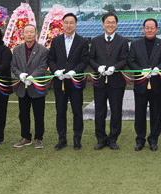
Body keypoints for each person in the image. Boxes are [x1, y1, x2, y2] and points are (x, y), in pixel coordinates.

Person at [47, 13, 89, 151]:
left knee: (77, 112)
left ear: (76, 24)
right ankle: (62, 139)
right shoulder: (56, 40)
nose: (69, 25)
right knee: (60, 112)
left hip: (75, 82)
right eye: (66, 22)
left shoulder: (82, 41)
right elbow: (51, 59)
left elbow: (84, 61)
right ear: (62, 24)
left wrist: (74, 72)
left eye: (72, 22)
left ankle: (77, 140)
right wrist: (56, 71)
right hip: (59, 82)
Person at [89, 13, 129, 151]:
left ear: (116, 24)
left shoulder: (123, 41)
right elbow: (91, 59)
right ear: (103, 24)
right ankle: (101, 139)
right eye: (107, 22)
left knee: (116, 111)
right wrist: (97, 67)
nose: (110, 25)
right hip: (99, 82)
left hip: (116, 82)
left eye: (113, 22)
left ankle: (113, 139)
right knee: (99, 111)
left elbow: (125, 59)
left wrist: (115, 68)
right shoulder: (95, 40)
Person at [127, 19, 161, 151]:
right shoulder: (135, 44)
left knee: (156, 113)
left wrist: (158, 69)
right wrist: (141, 70)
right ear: (143, 29)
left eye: (152, 28)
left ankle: (153, 140)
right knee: (140, 113)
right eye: (147, 27)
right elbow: (130, 61)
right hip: (140, 83)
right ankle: (140, 140)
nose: (149, 30)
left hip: (157, 84)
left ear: (157, 29)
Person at [11, 24, 49, 149]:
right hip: (22, 88)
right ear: (22, 34)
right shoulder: (17, 50)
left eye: (31, 32)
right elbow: (14, 66)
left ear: (35, 33)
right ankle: (26, 137)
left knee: (38, 114)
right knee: (23, 114)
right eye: (26, 32)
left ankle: (38, 138)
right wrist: (20, 74)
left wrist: (32, 76)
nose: (29, 34)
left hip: (37, 86)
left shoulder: (43, 50)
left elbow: (43, 67)